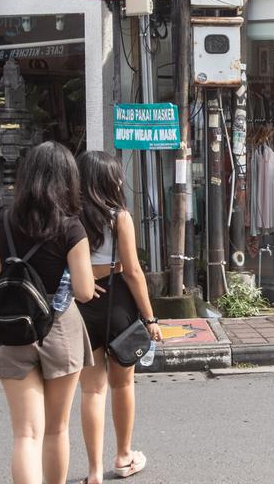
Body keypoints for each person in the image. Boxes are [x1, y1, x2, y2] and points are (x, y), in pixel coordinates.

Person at [0, 141, 97, 484]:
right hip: (60, 329)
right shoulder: (71, 227)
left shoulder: (1, 220)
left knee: (25, 435)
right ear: (67, 180)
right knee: (55, 430)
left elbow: (1, 273)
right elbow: (84, 291)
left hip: (14, 327)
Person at [75, 150, 163, 484]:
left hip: (83, 301)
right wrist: (150, 318)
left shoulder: (70, 216)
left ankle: (94, 471)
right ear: (109, 181)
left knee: (91, 390)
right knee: (123, 383)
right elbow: (133, 271)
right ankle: (124, 457)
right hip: (118, 302)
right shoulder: (120, 217)